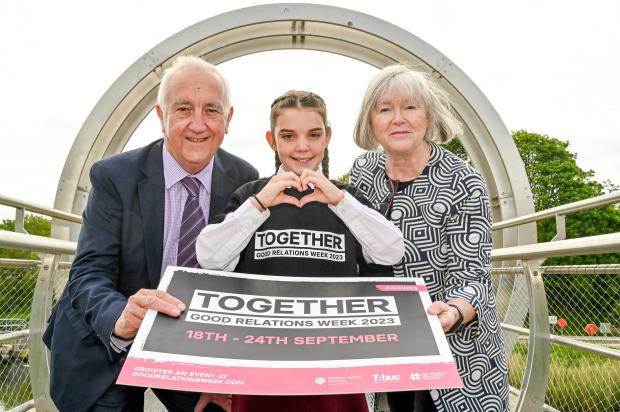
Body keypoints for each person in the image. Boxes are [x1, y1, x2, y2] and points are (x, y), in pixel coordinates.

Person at [42, 55, 258, 412]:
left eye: (212, 110)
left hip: (191, 349)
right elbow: (89, 272)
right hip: (108, 344)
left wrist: (227, 371)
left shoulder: (244, 179)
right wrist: (120, 317)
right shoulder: (114, 176)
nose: (198, 125)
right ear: (162, 117)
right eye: (184, 109)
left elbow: (243, 283)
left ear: (228, 119)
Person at [194, 90, 404, 412]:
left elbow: (391, 252)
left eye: (313, 135)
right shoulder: (250, 196)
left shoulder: (347, 198)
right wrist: (260, 204)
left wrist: (340, 201)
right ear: (272, 140)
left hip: (336, 367)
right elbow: (209, 256)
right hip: (260, 366)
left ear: (327, 138)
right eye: (289, 136)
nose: (302, 146)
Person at [349, 65, 509, 412]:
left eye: (410, 107)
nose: (398, 119)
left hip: (457, 352)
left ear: (428, 116)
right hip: (394, 343)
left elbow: (474, 276)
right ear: (371, 120)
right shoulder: (364, 171)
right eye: (385, 109)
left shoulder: (463, 182)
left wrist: (453, 310)